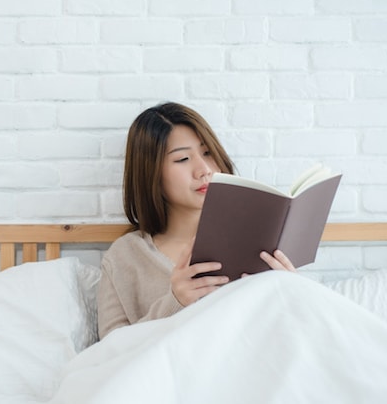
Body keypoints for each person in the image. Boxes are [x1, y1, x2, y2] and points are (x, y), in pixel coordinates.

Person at [97, 102, 297, 339]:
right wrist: (175, 303)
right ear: (151, 173)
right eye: (182, 159)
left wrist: (289, 290)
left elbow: (286, 336)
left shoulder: (258, 242)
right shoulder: (125, 257)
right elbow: (108, 353)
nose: (203, 170)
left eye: (207, 153)